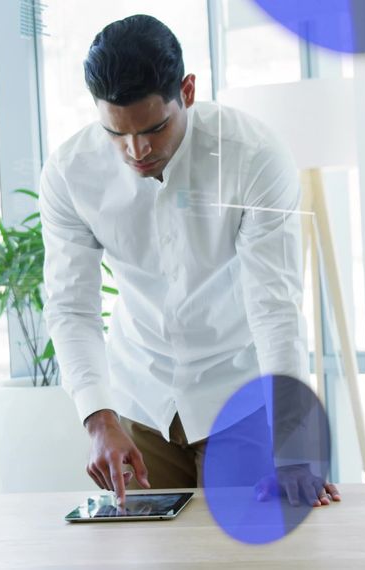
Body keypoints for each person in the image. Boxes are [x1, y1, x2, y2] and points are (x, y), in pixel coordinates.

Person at [40, 14, 340, 508]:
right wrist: (98, 417)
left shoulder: (253, 155)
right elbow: (72, 308)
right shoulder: (71, 172)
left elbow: (275, 306)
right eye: (117, 133)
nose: (136, 150)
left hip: (238, 396)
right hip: (140, 401)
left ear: (189, 90)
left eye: (154, 128)